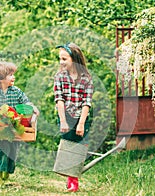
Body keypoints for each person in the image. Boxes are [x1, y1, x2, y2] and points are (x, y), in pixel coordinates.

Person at [54, 43, 94, 192]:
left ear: (74, 59)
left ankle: (73, 182)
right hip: (66, 116)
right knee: (68, 147)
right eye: (60, 58)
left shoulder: (86, 78)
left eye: (64, 58)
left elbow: (86, 102)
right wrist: (63, 121)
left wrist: (81, 123)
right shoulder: (59, 77)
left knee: (78, 148)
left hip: (81, 117)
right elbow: (59, 99)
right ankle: (71, 181)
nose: (61, 62)